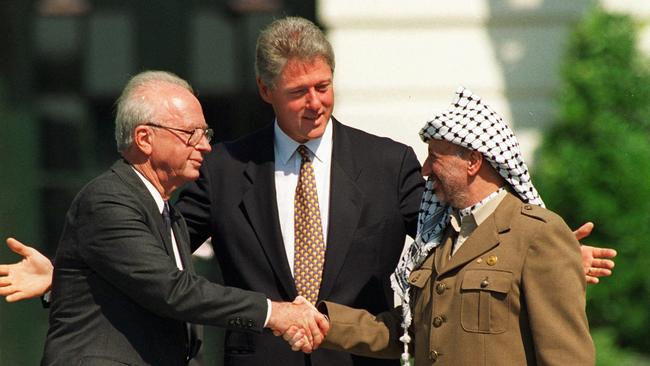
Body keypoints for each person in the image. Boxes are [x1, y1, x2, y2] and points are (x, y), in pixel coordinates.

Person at [1, 16, 614, 366]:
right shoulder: (222, 166)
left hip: (357, 360)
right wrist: (69, 273)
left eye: (323, 86)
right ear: (267, 91)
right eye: (298, 92)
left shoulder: (388, 161)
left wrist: (542, 255)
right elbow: (157, 259)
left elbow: (447, 236)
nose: (315, 102)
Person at [13, 70, 327, 366]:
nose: (205, 146)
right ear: (144, 138)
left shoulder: (168, 213)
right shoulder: (108, 200)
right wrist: (274, 313)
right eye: (191, 134)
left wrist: (60, 279)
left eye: (206, 134)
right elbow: (173, 291)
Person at [287, 87, 595, 365]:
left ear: (473, 161)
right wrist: (325, 323)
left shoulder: (538, 235)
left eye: (435, 157)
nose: (424, 170)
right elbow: (406, 331)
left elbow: (565, 357)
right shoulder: (440, 237)